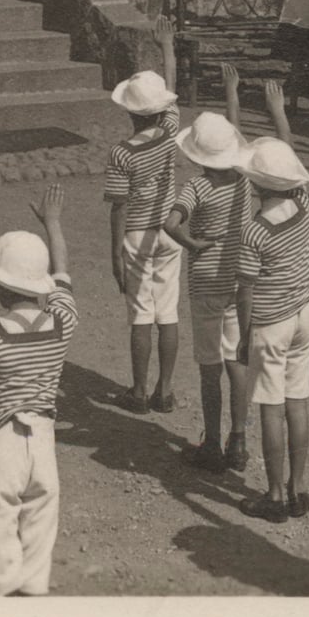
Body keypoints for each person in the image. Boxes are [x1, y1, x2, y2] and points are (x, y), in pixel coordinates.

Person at [0, 186, 78, 597]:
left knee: (0, 545)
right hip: (42, 442)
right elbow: (62, 275)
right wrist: (53, 223)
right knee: (38, 541)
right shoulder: (62, 321)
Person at [163, 80, 254, 475]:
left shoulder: (197, 186)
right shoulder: (244, 180)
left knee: (208, 365)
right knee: (237, 360)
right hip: (238, 278)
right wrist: (232, 93)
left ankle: (212, 442)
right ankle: (240, 440)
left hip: (205, 280)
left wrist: (193, 243)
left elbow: (170, 223)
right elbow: (238, 136)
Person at [237, 82, 309, 523]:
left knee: (270, 403)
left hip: (271, 319)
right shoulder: (301, 202)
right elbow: (288, 155)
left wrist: (244, 334)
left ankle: (273, 494)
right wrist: (278, 112)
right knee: (297, 397)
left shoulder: (254, 230)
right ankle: (298, 486)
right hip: (307, 307)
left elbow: (246, 288)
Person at [104, 69, 185, 413]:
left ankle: (138, 391)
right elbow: (172, 96)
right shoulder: (168, 134)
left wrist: (115, 254)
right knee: (167, 312)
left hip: (137, 234)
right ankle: (164, 391)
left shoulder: (122, 153)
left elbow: (119, 208)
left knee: (140, 314)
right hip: (169, 231)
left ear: (129, 112)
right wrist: (167, 50)